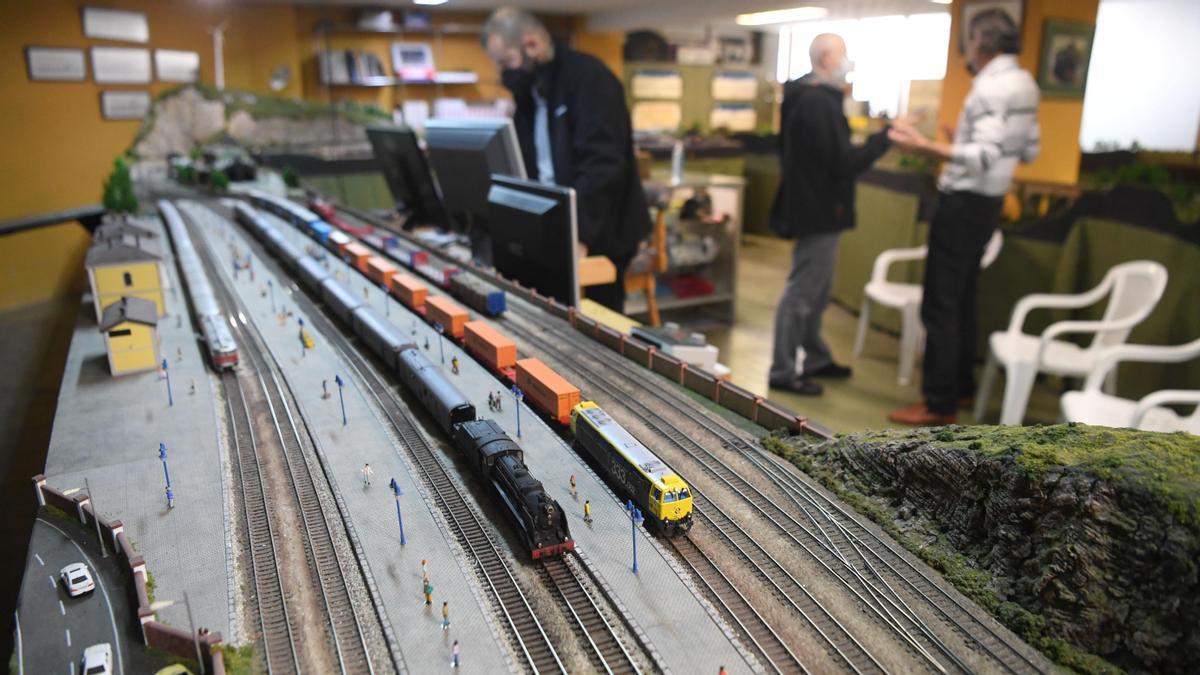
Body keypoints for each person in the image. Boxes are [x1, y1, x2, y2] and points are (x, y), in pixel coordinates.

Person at [887, 8, 1039, 425]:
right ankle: (963, 388)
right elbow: (1027, 150)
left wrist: (926, 148)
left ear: (981, 43)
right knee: (965, 296)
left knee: (940, 302)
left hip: (964, 202)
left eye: (969, 41)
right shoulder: (1026, 83)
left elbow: (984, 155)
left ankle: (938, 402)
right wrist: (964, 143)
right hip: (988, 205)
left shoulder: (990, 88)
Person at [482, 8, 651, 312]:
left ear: (531, 45)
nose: (504, 73)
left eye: (506, 62)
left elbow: (603, 165)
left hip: (602, 229)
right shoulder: (530, 90)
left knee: (599, 322)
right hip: (555, 226)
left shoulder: (589, 79)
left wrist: (581, 235)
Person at [767, 33, 897, 396]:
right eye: (843, 55)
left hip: (812, 204)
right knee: (803, 292)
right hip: (819, 209)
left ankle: (816, 357)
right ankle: (782, 369)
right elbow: (843, 162)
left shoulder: (803, 98)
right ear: (826, 59)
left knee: (818, 291)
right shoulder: (819, 104)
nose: (847, 63)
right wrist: (885, 139)